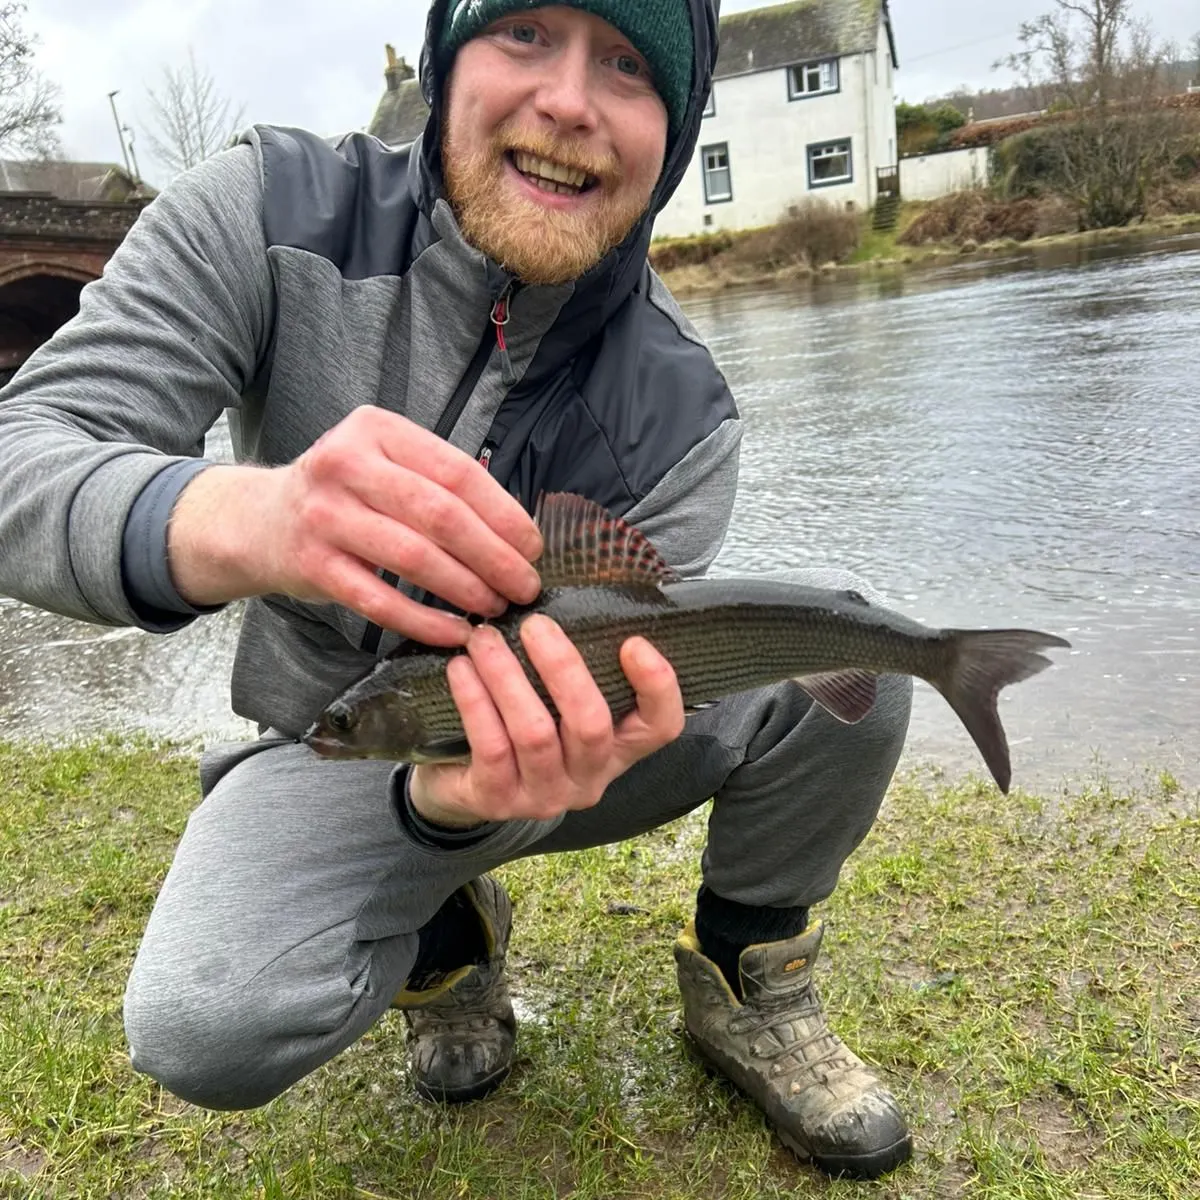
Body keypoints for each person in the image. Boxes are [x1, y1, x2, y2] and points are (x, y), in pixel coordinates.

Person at [0, 0, 914, 1182]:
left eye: (630, 66)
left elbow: (609, 687)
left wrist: (480, 798)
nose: (571, 101)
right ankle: (444, 939)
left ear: (674, 131)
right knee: (200, 1023)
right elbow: (23, 451)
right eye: (525, 30)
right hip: (329, 744)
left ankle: (748, 965)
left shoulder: (683, 416)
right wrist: (244, 516)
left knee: (859, 657)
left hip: (570, 746)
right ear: (447, 60)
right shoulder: (265, 210)